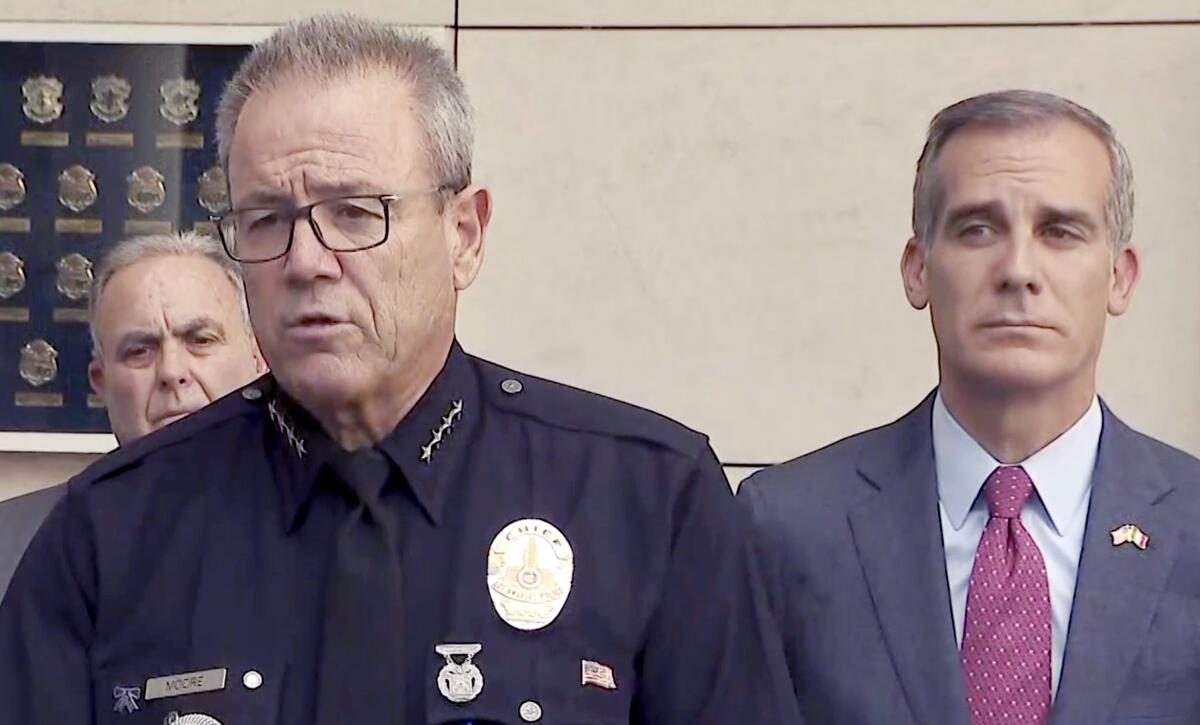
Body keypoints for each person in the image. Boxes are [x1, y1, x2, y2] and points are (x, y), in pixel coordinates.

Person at [0, 14, 798, 725]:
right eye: (266, 219)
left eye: (356, 212)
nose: (306, 260)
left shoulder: (644, 501)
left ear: (464, 233)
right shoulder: (112, 529)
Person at [740, 89, 1200, 725]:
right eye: (978, 229)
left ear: (1119, 277)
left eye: (1059, 232)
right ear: (918, 270)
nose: (1018, 270)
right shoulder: (786, 527)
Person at [0, 231, 264, 597]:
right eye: (140, 350)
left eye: (200, 340)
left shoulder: (335, 532)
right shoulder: (12, 550)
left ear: (260, 360)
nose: (172, 372)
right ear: (101, 381)